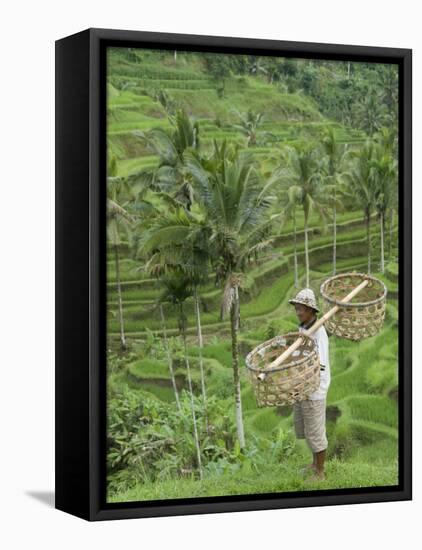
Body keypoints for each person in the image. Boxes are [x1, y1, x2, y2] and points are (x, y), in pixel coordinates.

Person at [288, 288, 331, 481]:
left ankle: (320, 472)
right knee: (306, 428)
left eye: (301, 308)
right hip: (302, 386)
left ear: (311, 310)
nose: (298, 311)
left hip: (314, 388)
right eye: (297, 308)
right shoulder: (304, 327)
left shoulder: (319, 332)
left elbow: (319, 364)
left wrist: (307, 379)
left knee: (315, 431)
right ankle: (314, 464)